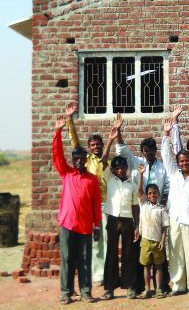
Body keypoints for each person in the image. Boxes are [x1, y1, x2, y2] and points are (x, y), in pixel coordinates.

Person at [65, 102, 119, 287]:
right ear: (88, 147)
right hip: (89, 208)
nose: (96, 147)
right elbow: (74, 141)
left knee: (107, 241)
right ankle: (97, 275)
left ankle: (108, 274)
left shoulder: (107, 161)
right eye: (93, 145)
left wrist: (111, 140)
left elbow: (103, 160)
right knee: (95, 242)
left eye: (98, 144)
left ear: (102, 146)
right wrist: (70, 119)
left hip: (105, 205)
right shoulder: (85, 160)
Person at [52, 115, 102, 304]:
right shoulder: (66, 173)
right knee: (67, 259)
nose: (79, 161)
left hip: (85, 226)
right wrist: (58, 132)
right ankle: (66, 292)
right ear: (73, 160)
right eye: (76, 158)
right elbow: (57, 155)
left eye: (82, 158)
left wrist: (97, 225)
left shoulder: (92, 179)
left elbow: (96, 204)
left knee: (85, 260)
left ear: (86, 160)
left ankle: (86, 292)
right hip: (67, 224)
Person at [161, 116, 189, 295]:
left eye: (187, 160)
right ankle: (178, 285)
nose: (184, 163)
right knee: (176, 254)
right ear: (178, 163)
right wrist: (166, 134)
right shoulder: (174, 175)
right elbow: (165, 155)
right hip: (175, 220)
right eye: (181, 161)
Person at [101, 137, 140, 300]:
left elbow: (135, 207)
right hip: (112, 219)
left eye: (123, 167)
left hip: (127, 221)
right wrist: (110, 140)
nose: (120, 170)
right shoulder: (110, 179)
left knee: (128, 253)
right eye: (116, 168)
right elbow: (103, 160)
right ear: (112, 169)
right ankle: (109, 288)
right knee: (111, 253)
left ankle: (130, 287)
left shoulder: (132, 185)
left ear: (126, 168)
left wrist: (137, 226)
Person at [136, 163, 170, 299]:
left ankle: (159, 289)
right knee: (146, 266)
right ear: (146, 195)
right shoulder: (143, 204)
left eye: (155, 193)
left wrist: (162, 241)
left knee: (158, 266)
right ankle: (147, 289)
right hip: (145, 240)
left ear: (159, 194)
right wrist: (140, 174)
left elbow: (165, 227)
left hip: (157, 242)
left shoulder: (161, 209)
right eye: (149, 193)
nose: (152, 195)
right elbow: (139, 190)